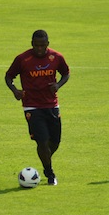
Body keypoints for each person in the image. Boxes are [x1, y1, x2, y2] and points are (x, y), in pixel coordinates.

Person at [5, 30, 70, 186]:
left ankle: (44, 158)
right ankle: (50, 174)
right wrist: (15, 91)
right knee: (42, 141)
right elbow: (8, 76)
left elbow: (66, 73)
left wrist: (58, 85)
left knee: (55, 142)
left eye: (42, 45)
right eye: (36, 45)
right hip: (32, 107)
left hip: (52, 105)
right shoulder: (22, 59)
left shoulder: (56, 57)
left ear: (48, 44)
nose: (39, 49)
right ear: (32, 44)